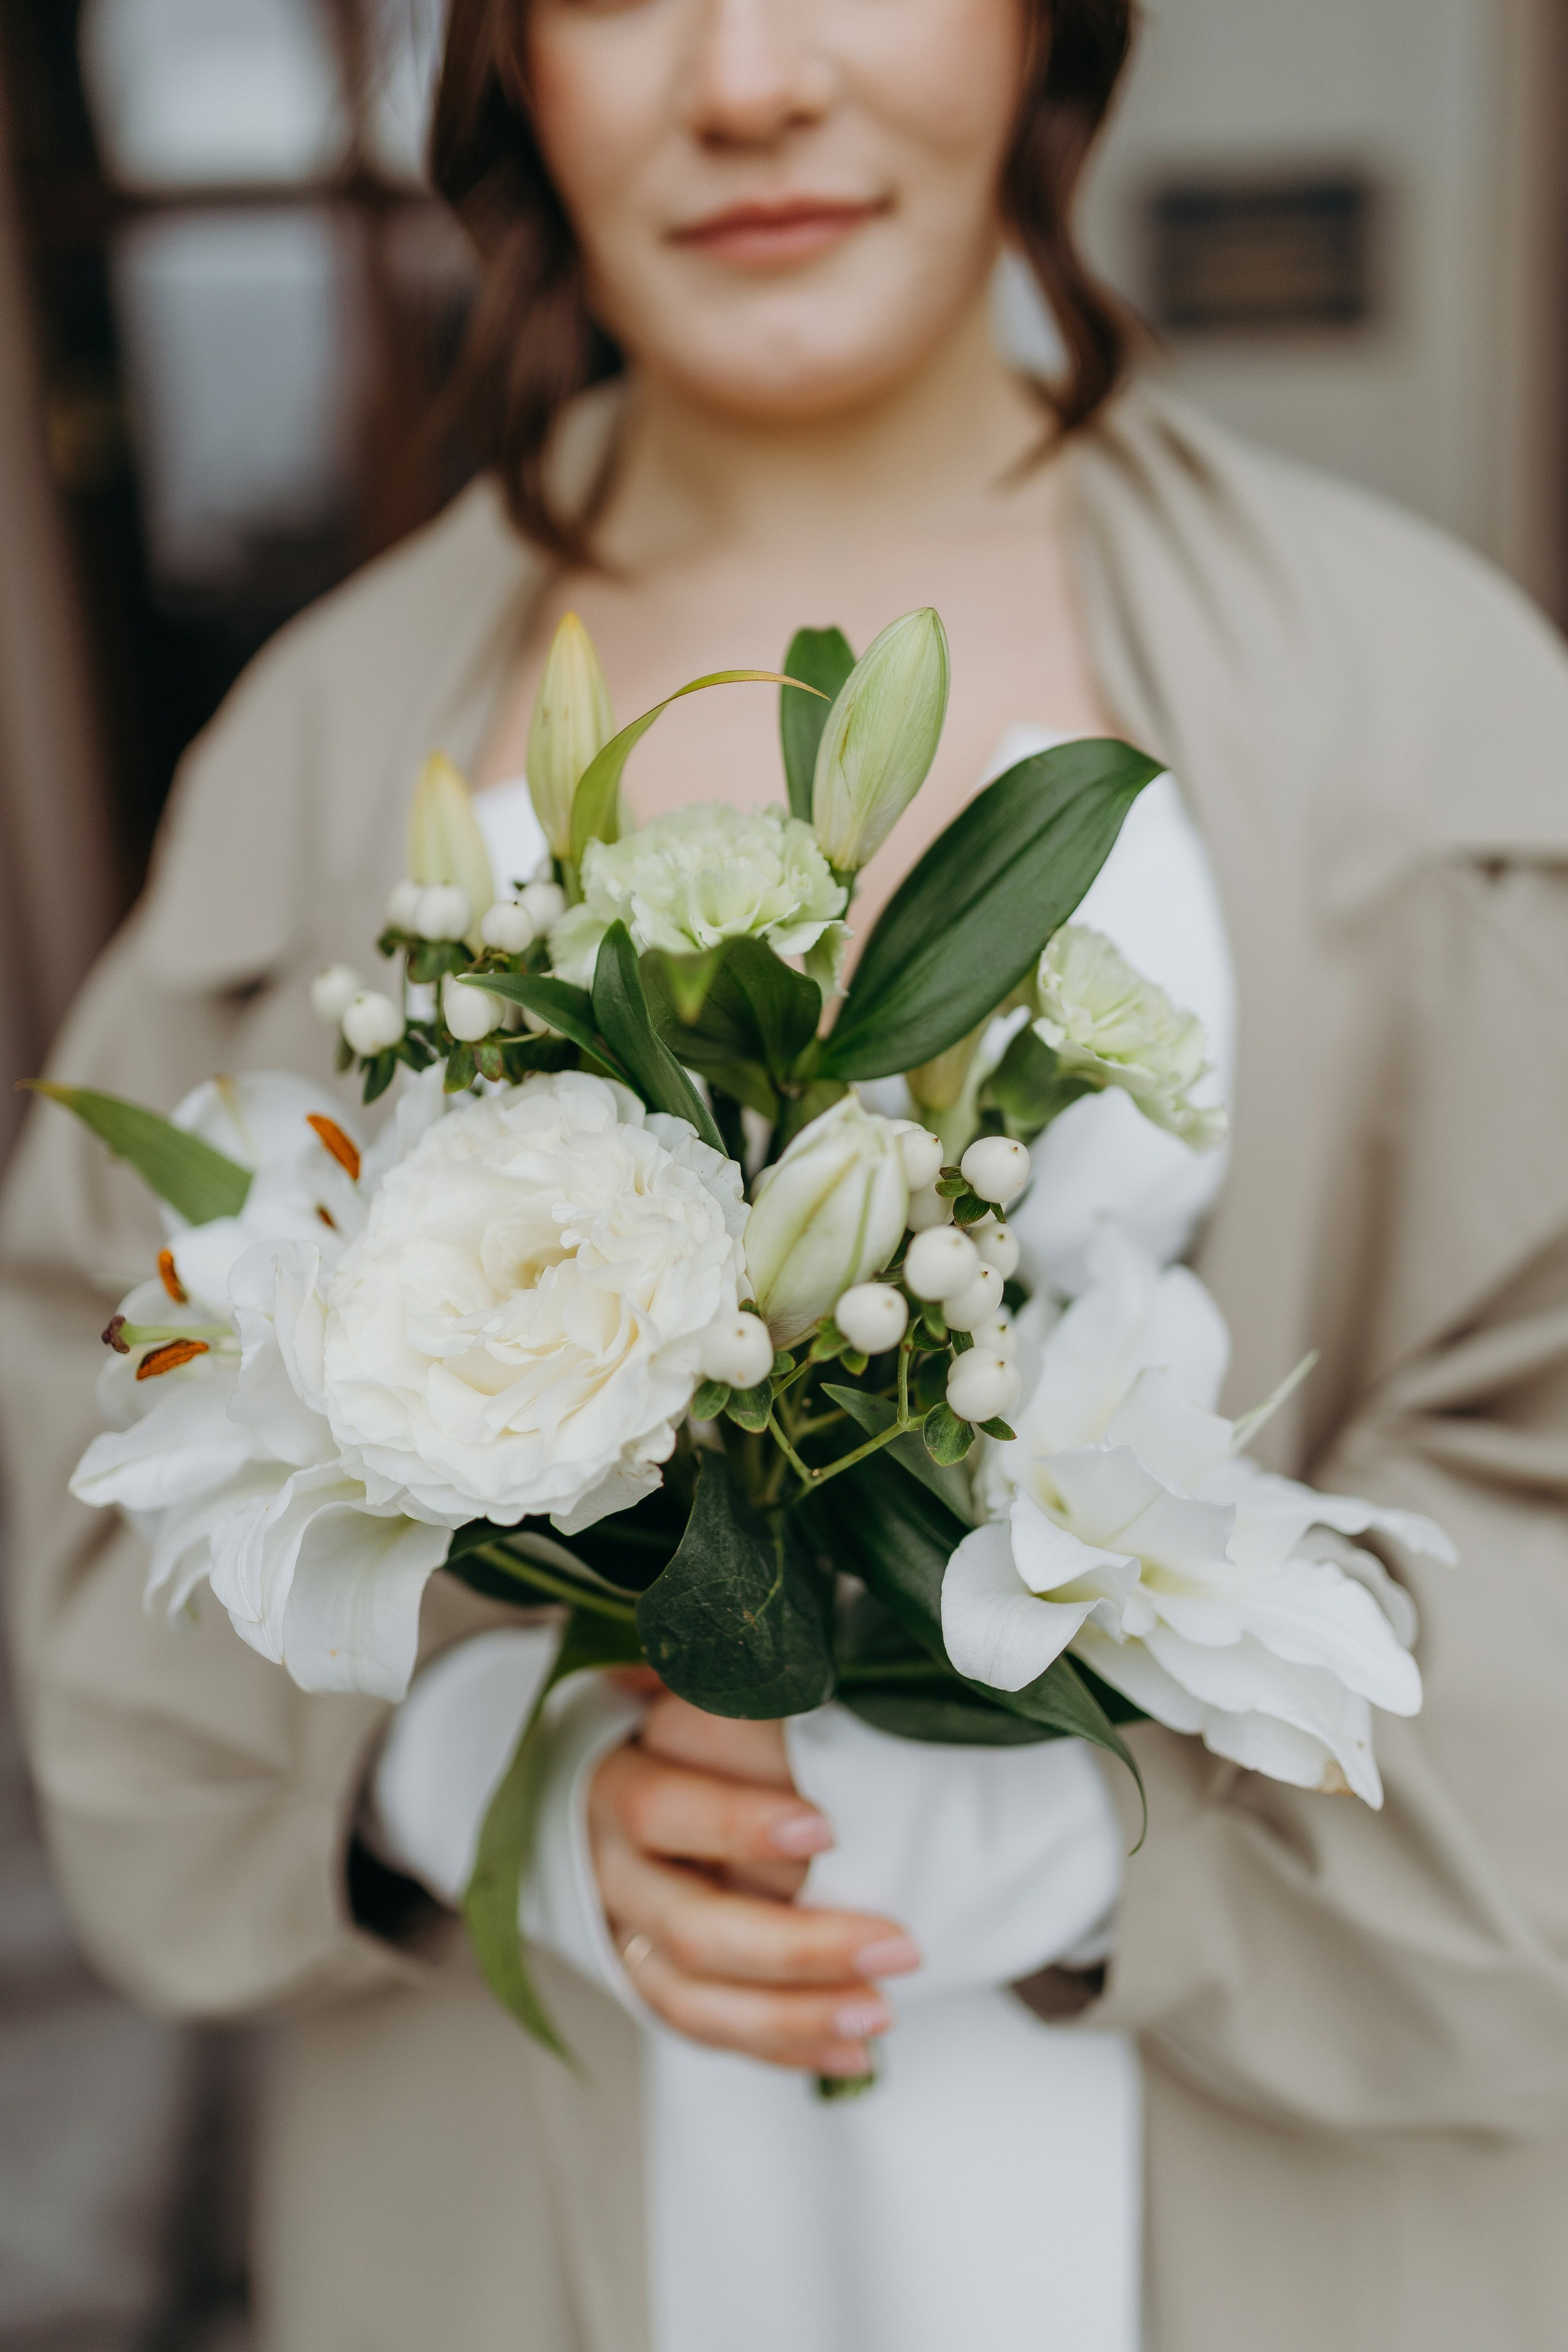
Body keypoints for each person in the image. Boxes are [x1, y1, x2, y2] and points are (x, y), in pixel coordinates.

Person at [4, 2, 1568, 2347]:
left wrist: (1042, 1815)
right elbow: (102, 1390)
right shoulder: (334, 738)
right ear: (509, 58)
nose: (747, 81)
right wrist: (466, 1785)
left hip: (1235, 2145)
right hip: (542, 2144)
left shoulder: (1421, 687)